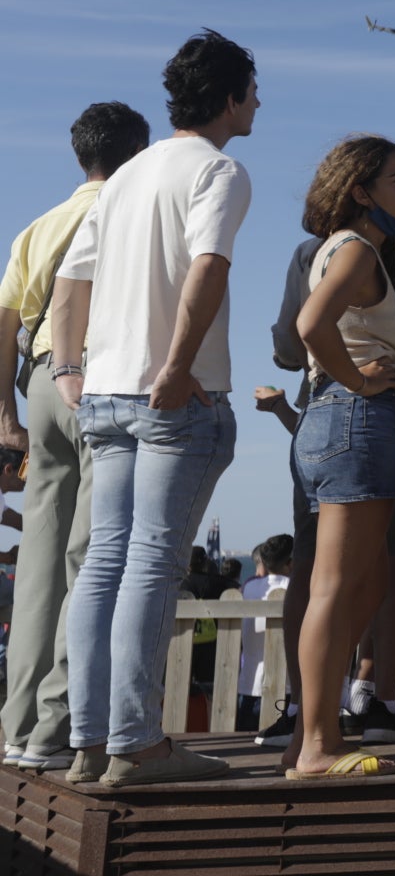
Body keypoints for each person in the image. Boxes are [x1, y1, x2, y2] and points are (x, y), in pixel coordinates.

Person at [49, 30, 258, 786]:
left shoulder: (128, 175)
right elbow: (209, 267)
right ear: (231, 97)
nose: (259, 103)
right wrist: (174, 366)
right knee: (150, 564)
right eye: (254, 91)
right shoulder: (220, 171)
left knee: (105, 563)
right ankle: (137, 742)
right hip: (171, 392)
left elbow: (72, 280)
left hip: (104, 391)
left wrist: (69, 369)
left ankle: (91, 742)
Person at [0, 101, 149, 774]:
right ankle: (56, 725)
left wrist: (5, 415)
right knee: (92, 560)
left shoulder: (38, 227)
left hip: (38, 382)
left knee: (38, 564)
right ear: (138, 154)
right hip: (100, 378)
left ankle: (19, 719)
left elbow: (6, 324)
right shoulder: (128, 216)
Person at [284, 136, 395, 778]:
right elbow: (311, 326)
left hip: (331, 420)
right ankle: (316, 745)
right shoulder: (360, 249)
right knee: (339, 588)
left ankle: (311, 737)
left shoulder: (344, 248)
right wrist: (361, 382)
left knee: (358, 584)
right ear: (362, 191)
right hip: (354, 418)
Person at [237, 535, 294, 732]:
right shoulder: (295, 589)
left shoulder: (249, 588)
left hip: (250, 684)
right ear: (290, 562)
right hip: (285, 687)